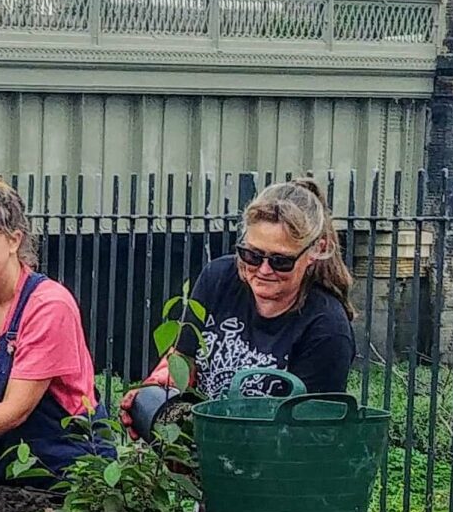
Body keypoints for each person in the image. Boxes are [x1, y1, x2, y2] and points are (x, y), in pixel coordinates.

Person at [127, 177, 356, 424]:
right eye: (252, 255)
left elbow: (306, 432)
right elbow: (182, 359)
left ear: (316, 250)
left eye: (281, 261)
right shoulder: (218, 278)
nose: (264, 270)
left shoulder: (327, 328)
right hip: (203, 436)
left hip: (273, 452)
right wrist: (153, 394)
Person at [0, 173, 113, 482]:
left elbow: (15, 409)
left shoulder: (49, 305)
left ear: (14, 240)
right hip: (5, 471)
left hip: (74, 478)